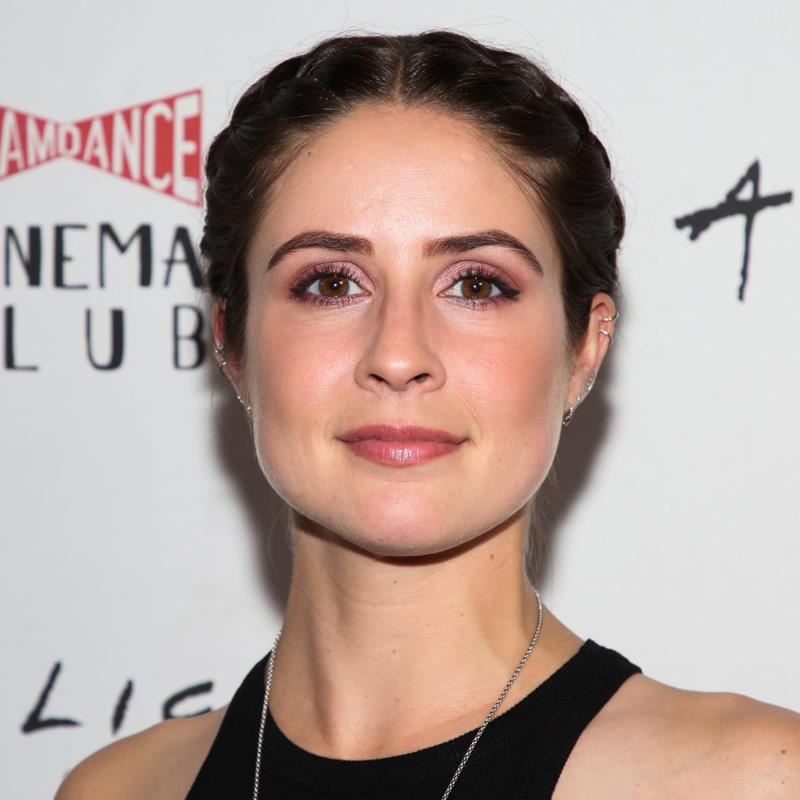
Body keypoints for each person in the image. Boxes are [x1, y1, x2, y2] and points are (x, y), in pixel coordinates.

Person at [56, 29, 799, 800]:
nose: (399, 353)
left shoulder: (751, 780)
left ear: (584, 347)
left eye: (476, 285)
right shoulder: (117, 790)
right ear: (231, 341)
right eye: (331, 283)